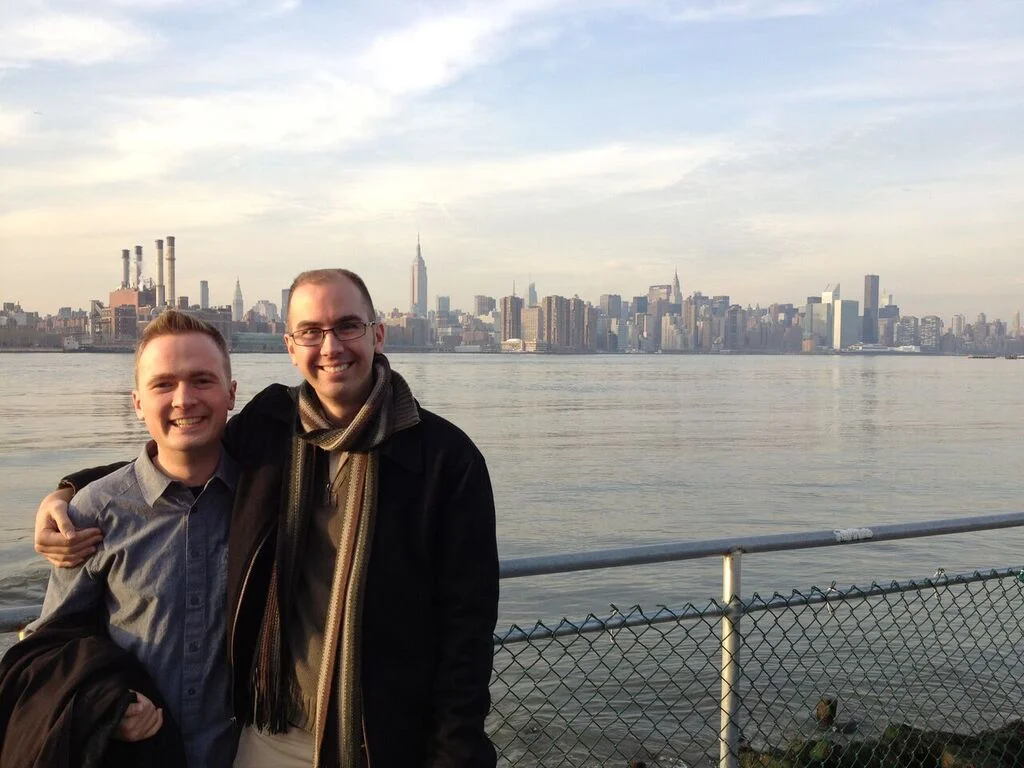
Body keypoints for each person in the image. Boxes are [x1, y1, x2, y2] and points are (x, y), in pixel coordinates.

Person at [36, 269, 500, 767]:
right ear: (290, 346)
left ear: (377, 334)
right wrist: (70, 492)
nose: (331, 347)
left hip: (385, 739)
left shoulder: (445, 461)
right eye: (311, 332)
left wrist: (455, 753)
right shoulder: (272, 427)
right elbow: (182, 447)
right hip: (272, 732)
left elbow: (467, 632)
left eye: (348, 326)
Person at [28, 310, 239, 766]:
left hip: (243, 751)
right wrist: (105, 707)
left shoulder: (268, 493)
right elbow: (52, 647)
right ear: (138, 403)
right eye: (163, 384)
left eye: (202, 380)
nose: (184, 399)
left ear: (231, 394)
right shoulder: (93, 512)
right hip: (137, 756)